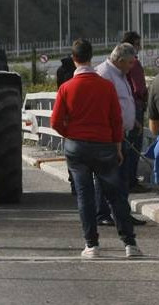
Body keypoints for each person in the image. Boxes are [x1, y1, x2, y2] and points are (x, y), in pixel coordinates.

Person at [52, 39, 142, 258]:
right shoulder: (106, 86)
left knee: (85, 195)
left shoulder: (66, 88)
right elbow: (115, 120)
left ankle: (92, 245)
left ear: (74, 59)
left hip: (77, 147)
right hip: (105, 146)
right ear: (91, 57)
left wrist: (70, 135)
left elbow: (55, 122)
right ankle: (130, 244)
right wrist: (117, 146)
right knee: (115, 195)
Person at [94, 43, 144, 227]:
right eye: (130, 63)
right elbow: (103, 106)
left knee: (122, 177)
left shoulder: (120, 74)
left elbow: (124, 102)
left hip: (122, 132)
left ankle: (122, 213)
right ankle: (103, 213)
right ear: (120, 60)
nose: (133, 66)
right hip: (109, 135)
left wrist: (133, 121)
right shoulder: (104, 74)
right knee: (106, 175)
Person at [123, 31, 148, 192]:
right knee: (135, 146)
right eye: (138, 44)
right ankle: (131, 181)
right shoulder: (135, 64)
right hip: (136, 107)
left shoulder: (121, 64)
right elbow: (139, 88)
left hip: (126, 107)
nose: (139, 48)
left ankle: (127, 179)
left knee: (127, 145)